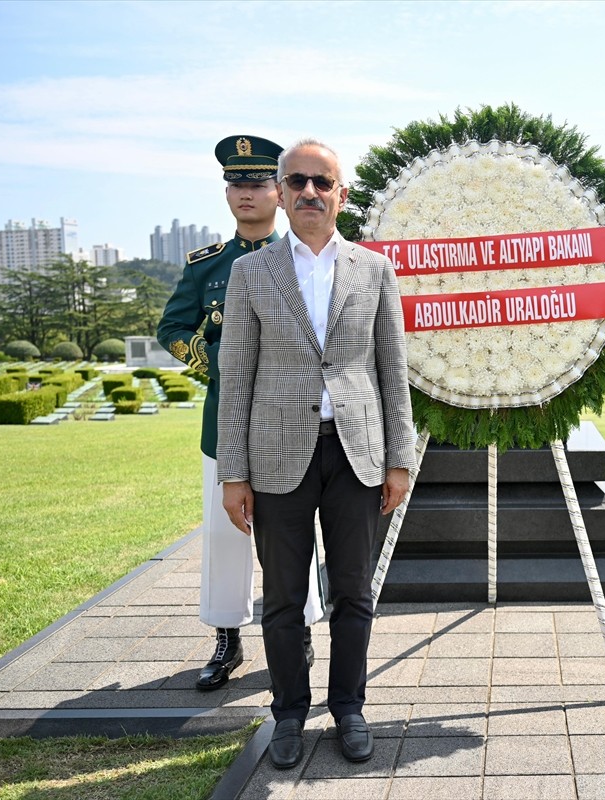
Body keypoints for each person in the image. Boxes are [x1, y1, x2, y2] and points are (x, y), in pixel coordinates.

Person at [217, 138, 416, 769]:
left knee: (354, 594)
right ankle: (289, 713)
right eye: (297, 181)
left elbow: (392, 369)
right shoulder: (251, 273)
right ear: (280, 191)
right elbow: (236, 375)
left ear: (341, 194)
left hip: (356, 455)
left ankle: (349, 708)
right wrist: (232, 472)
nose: (309, 192)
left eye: (321, 182)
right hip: (276, 458)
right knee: (280, 597)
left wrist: (400, 459)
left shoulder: (373, 270)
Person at [157, 135, 324, 692]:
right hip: (224, 421)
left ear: (279, 192)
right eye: (236, 184)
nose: (245, 194)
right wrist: (209, 359)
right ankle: (227, 636)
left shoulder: (302, 260)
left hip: (288, 425)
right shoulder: (207, 265)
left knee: (294, 536)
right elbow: (173, 326)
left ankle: (298, 628)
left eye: (256, 184)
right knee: (225, 536)